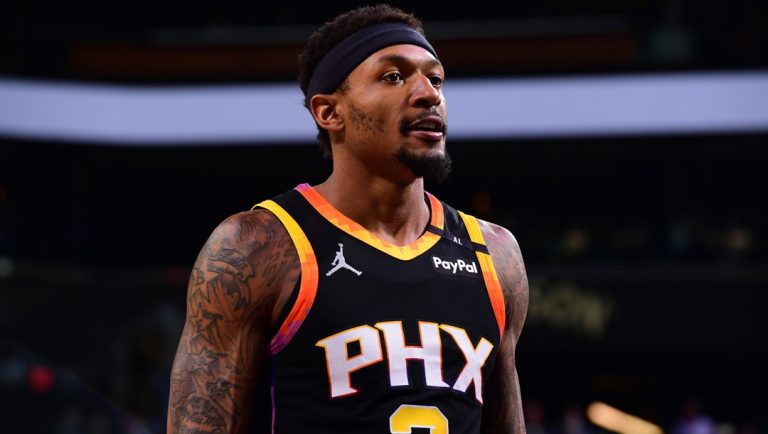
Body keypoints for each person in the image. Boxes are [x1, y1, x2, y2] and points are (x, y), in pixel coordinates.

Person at [167, 4, 529, 433]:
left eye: (435, 78)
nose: (429, 93)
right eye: (393, 76)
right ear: (329, 112)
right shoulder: (258, 246)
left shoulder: (494, 254)